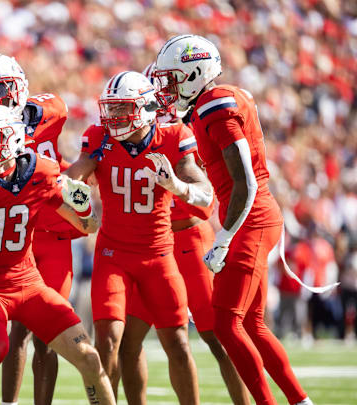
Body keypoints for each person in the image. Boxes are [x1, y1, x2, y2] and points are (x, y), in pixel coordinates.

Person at [153, 34, 312, 405]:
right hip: (252, 215)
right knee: (253, 324)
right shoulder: (215, 100)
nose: (168, 88)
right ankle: (300, 401)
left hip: (250, 218)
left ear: (194, 73)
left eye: (173, 78)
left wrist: (224, 236)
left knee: (225, 322)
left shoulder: (214, 104)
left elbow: (247, 182)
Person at [0, 104, 116, 405]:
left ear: (14, 140)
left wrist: (83, 207)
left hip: (29, 284)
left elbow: (89, 225)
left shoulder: (40, 172)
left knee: (89, 357)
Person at [65, 71, 213, 404]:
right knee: (108, 340)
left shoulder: (174, 136)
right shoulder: (99, 137)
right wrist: (79, 202)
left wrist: (176, 186)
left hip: (159, 255)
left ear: (146, 108)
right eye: (112, 108)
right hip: (112, 255)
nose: (114, 117)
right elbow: (71, 182)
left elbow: (206, 194)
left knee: (177, 342)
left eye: (122, 109)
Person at [115, 64, 250, 405]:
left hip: (188, 237)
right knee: (128, 342)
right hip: (149, 247)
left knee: (218, 337)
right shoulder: (126, 136)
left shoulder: (184, 131)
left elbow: (204, 197)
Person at [0, 52, 83, 405]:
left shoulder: (49, 109)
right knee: (17, 334)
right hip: (14, 240)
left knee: (49, 333)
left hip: (54, 233)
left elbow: (52, 108)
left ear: (18, 85)